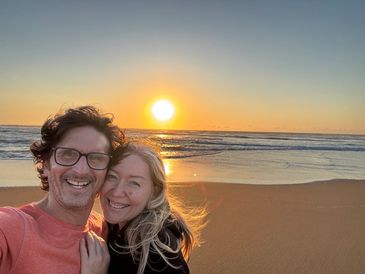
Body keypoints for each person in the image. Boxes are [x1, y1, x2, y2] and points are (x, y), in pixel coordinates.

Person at [0, 105, 125, 274]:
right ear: (45, 164)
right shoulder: (12, 228)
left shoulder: (104, 228)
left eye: (96, 158)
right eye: (67, 154)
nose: (81, 170)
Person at [81, 141, 206, 274]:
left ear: (155, 191)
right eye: (112, 177)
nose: (117, 191)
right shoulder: (120, 228)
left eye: (134, 183)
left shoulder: (154, 254)